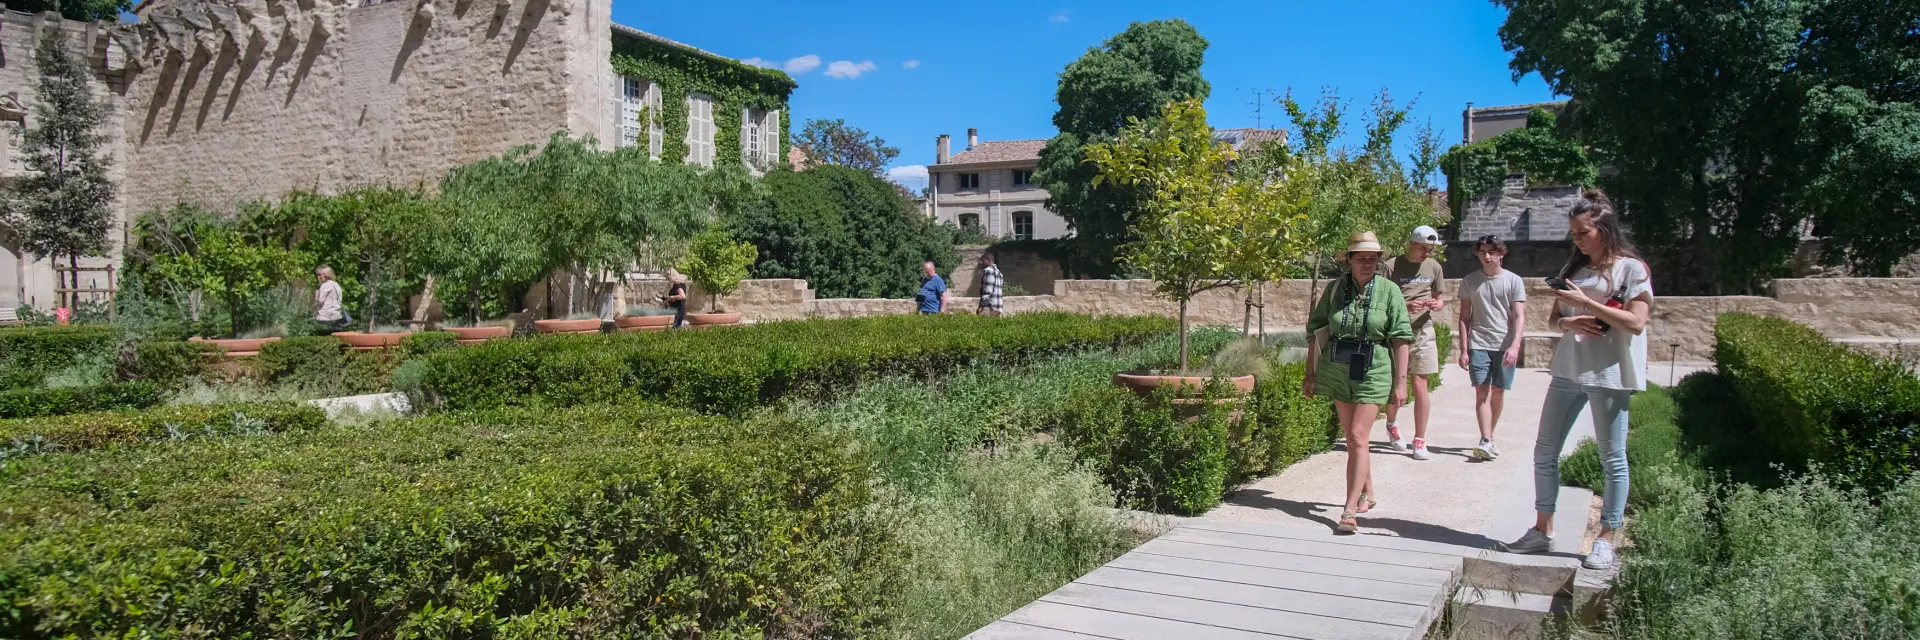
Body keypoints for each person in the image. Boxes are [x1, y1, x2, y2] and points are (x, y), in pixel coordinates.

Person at [1500, 190, 1653, 571]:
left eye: (1584, 232)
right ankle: (1542, 529)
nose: (1578, 239)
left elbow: (1636, 322)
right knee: (1544, 451)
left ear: (1605, 229)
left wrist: (1588, 304)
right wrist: (1570, 321)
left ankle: (1606, 539)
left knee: (1612, 457)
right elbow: (1555, 320)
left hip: (1609, 374)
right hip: (1568, 369)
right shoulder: (1575, 269)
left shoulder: (1632, 270)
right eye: (1574, 233)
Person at [1304, 231, 1413, 534]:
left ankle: (1349, 510)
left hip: (1374, 368)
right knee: (1355, 440)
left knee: (1357, 435)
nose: (1368, 263)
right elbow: (1316, 330)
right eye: (1361, 258)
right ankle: (1368, 492)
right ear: (1349, 260)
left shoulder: (1390, 291)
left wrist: (1401, 382)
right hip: (1338, 367)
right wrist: (1310, 373)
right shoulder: (1335, 289)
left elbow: (1401, 337)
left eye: (1373, 259)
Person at [1456, 235, 1527, 461]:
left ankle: (1490, 437)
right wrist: (1464, 349)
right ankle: (1485, 440)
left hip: (1504, 344)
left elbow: (1519, 316)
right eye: (1483, 252)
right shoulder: (1470, 281)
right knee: (1481, 391)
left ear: (1501, 254)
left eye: (1492, 252)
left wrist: (1515, 346)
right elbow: (1464, 317)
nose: (1487, 256)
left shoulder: (1514, 281)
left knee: (1498, 391)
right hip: (1479, 342)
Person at [1382, 225, 1447, 460]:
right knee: (1395, 383)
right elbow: (1380, 300)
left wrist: (1437, 304)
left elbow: (1440, 298)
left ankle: (1420, 439)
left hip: (1423, 328)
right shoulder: (1391, 266)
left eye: (1430, 249)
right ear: (1411, 244)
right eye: (1423, 248)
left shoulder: (1434, 267)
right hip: (1396, 331)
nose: (1426, 253)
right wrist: (1405, 305)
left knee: (1421, 384)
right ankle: (1391, 423)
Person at [313, 266, 348, 334]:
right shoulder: (336, 284)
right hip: (337, 317)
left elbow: (320, 302)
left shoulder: (325, 285)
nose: (318, 277)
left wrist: (316, 296)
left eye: (320, 275)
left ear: (326, 275)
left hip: (325, 318)